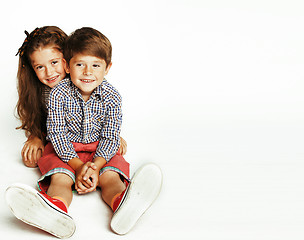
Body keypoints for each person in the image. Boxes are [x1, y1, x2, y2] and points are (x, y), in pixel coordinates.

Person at [6, 27, 162, 238]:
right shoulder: (57, 94)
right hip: (66, 149)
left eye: (54, 62)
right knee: (60, 178)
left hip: (99, 149)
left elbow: (108, 134)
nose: (87, 72)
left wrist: (97, 164)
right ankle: (55, 210)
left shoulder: (111, 96)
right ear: (71, 66)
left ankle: (123, 202)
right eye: (80, 65)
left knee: (110, 176)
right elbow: (57, 134)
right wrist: (77, 166)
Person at [15, 26, 128, 168]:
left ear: (66, 61)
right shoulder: (38, 91)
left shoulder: (84, 82)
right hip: (57, 137)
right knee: (30, 160)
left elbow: (100, 111)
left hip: (88, 138)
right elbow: (43, 122)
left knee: (112, 151)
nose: (49, 73)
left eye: (54, 62)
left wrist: (111, 136)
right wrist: (36, 137)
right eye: (40, 67)